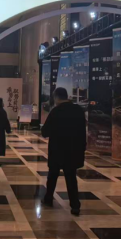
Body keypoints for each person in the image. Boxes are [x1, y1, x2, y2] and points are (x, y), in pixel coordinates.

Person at [41, 87, 86, 216]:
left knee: (52, 176)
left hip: (57, 150)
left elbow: (45, 132)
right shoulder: (78, 110)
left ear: (56, 97)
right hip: (73, 151)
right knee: (71, 178)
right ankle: (75, 206)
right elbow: (83, 132)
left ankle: (48, 199)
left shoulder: (56, 111)